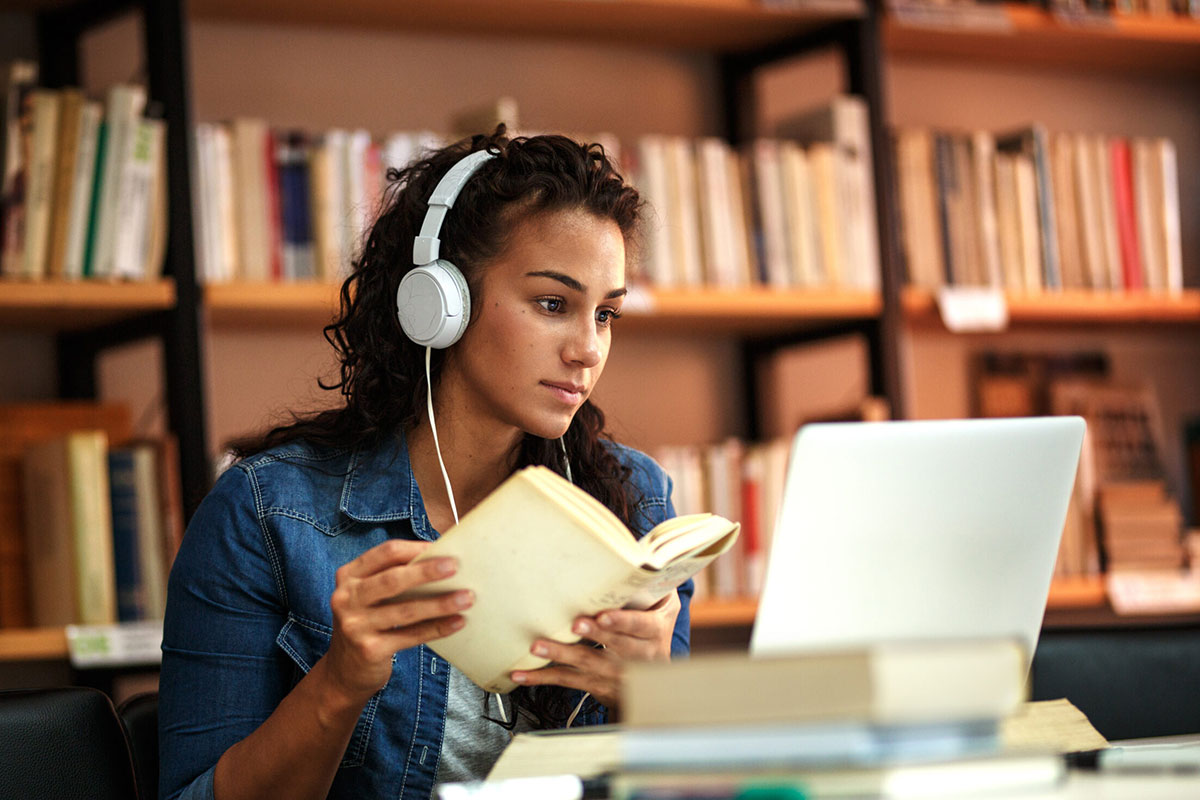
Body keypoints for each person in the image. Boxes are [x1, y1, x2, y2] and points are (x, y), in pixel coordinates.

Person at [159, 128, 691, 800]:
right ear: (440, 304)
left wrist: (655, 704)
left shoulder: (634, 503)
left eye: (606, 313)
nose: (588, 349)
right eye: (553, 304)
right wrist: (340, 682)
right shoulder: (264, 515)